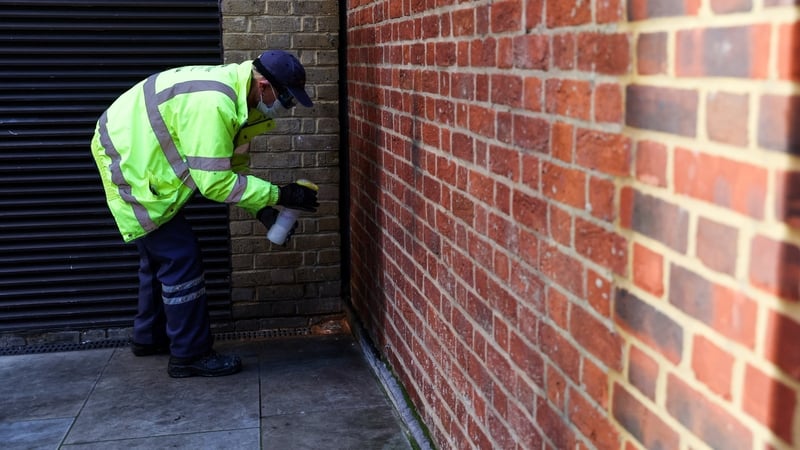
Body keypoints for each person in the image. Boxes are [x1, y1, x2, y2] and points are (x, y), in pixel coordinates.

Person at [89, 50, 319, 378]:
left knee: (157, 254)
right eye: (284, 97)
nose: (284, 106)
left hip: (134, 151)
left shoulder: (241, 101)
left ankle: (149, 337)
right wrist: (280, 194)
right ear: (264, 84)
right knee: (181, 256)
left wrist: (263, 210)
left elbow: (232, 166)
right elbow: (215, 184)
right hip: (129, 159)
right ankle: (189, 355)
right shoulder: (216, 104)